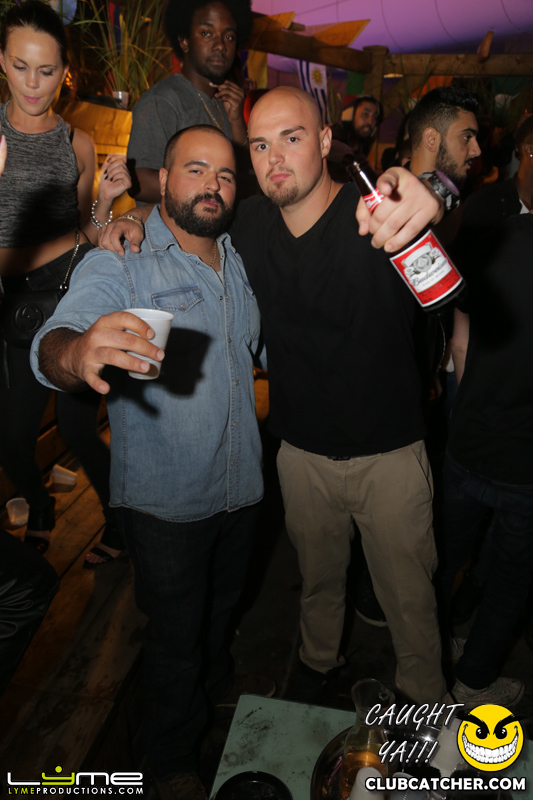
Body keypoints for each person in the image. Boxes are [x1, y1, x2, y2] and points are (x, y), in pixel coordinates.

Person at [99, 87, 451, 705]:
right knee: (318, 584)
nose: (275, 158)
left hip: (390, 454)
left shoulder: (376, 213)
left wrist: (435, 191)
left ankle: (427, 710)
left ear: (325, 141)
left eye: (292, 138)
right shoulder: (249, 224)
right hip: (300, 453)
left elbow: (441, 268)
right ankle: (315, 671)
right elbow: (186, 214)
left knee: (412, 603)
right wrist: (127, 219)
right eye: (260, 145)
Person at [32, 125, 271, 800]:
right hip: (168, 501)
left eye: (225, 175)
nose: (212, 185)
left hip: (242, 486)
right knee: (173, 638)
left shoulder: (236, 256)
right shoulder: (125, 256)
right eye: (195, 170)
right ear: (163, 180)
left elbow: (256, 351)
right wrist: (76, 353)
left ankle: (214, 690)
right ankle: (169, 761)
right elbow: (56, 338)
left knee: (220, 611)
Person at [0, 0, 131, 564]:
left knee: (79, 430)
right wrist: (72, 239)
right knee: (12, 440)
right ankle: (39, 504)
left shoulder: (77, 142)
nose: (33, 83)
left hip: (71, 303)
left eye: (46, 70)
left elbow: (88, 234)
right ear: (1, 61)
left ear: (64, 71)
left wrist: (106, 202)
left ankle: (121, 523)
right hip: (15, 312)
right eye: (20, 66)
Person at [439, 211, 533, 708]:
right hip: (526, 467)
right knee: (510, 581)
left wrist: (469, 414)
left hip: (471, 442)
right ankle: (473, 679)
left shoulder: (488, 236)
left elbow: (460, 342)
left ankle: (430, 658)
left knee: (441, 558)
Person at [127, 0, 252, 204]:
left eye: (229, 36)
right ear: (184, 41)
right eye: (206, 33)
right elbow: (138, 182)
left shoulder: (225, 104)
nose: (221, 45)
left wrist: (237, 120)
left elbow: (243, 177)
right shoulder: (163, 100)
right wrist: (207, 193)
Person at [328, 94, 382, 182]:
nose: (370, 121)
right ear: (350, 114)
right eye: (365, 114)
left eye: (374, 117)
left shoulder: (357, 146)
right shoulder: (334, 143)